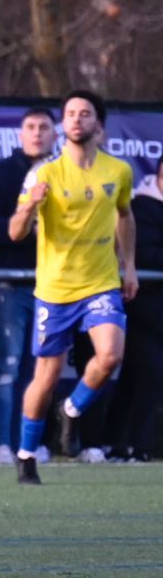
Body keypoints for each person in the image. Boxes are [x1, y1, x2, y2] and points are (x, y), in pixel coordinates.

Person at [7, 89, 138, 484]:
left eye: (85, 113)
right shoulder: (43, 173)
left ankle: (73, 409)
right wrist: (29, 206)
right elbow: (15, 232)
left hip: (100, 283)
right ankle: (27, 454)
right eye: (70, 113)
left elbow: (125, 215)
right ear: (63, 124)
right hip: (55, 289)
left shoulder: (118, 171)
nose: (76, 119)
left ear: (98, 124)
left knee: (110, 356)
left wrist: (128, 265)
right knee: (45, 377)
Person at [0, 107, 56, 462]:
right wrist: (21, 233)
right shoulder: (0, 174)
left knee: (44, 367)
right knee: (8, 363)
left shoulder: (64, 174)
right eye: (30, 127)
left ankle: (30, 444)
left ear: (55, 134)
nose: (37, 133)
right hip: (9, 285)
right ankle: (3, 444)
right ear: (21, 134)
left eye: (44, 127)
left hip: (55, 285)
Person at [103, 174, 162, 461]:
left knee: (132, 379)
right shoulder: (142, 206)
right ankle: (136, 447)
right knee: (150, 376)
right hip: (142, 308)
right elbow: (147, 256)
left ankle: (115, 442)